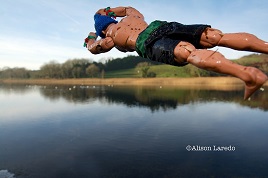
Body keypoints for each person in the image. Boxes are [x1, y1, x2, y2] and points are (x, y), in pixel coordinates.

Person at [84, 6, 268, 100]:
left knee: (189, 53)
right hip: (162, 26)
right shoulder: (133, 17)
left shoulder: (110, 37)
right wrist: (107, 10)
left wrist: (90, 37)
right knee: (215, 37)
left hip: (146, 42)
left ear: (102, 30)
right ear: (112, 19)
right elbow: (127, 8)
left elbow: (94, 48)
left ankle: (248, 75)